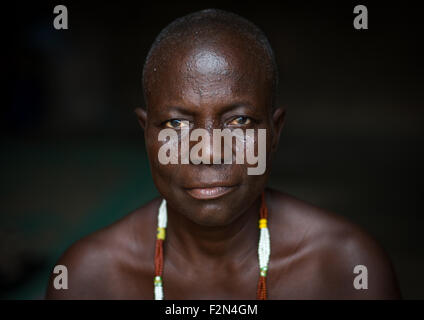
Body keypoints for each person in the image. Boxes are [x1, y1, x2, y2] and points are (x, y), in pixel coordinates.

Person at [45, 9, 401, 299]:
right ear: (146, 135)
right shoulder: (88, 280)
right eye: (176, 124)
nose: (209, 151)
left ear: (274, 132)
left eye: (240, 121)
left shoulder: (347, 270)